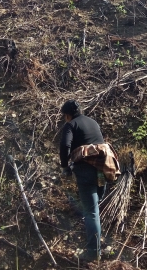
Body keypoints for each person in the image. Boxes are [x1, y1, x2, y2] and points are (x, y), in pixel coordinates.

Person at [59, 100, 107, 262]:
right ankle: (99, 244)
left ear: (67, 115)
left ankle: (93, 253)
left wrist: (65, 167)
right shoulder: (93, 122)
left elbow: (65, 146)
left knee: (91, 213)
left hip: (86, 171)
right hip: (103, 170)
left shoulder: (71, 125)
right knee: (95, 210)